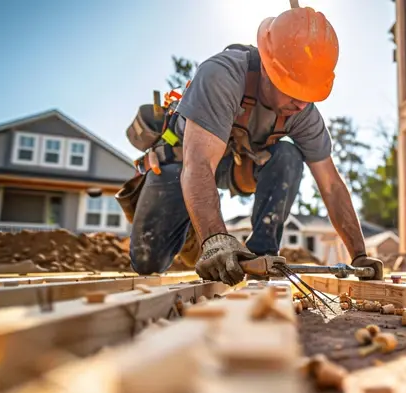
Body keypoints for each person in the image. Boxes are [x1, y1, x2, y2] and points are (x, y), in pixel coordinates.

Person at [128, 5, 384, 286]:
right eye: (293, 89)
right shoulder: (221, 75)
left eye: (308, 94)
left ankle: (261, 253)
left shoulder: (303, 112)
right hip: (181, 164)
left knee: (288, 155)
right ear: (266, 66)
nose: (301, 103)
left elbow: (332, 185)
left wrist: (359, 255)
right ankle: (196, 231)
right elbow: (198, 163)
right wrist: (216, 240)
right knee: (148, 263)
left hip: (236, 166)